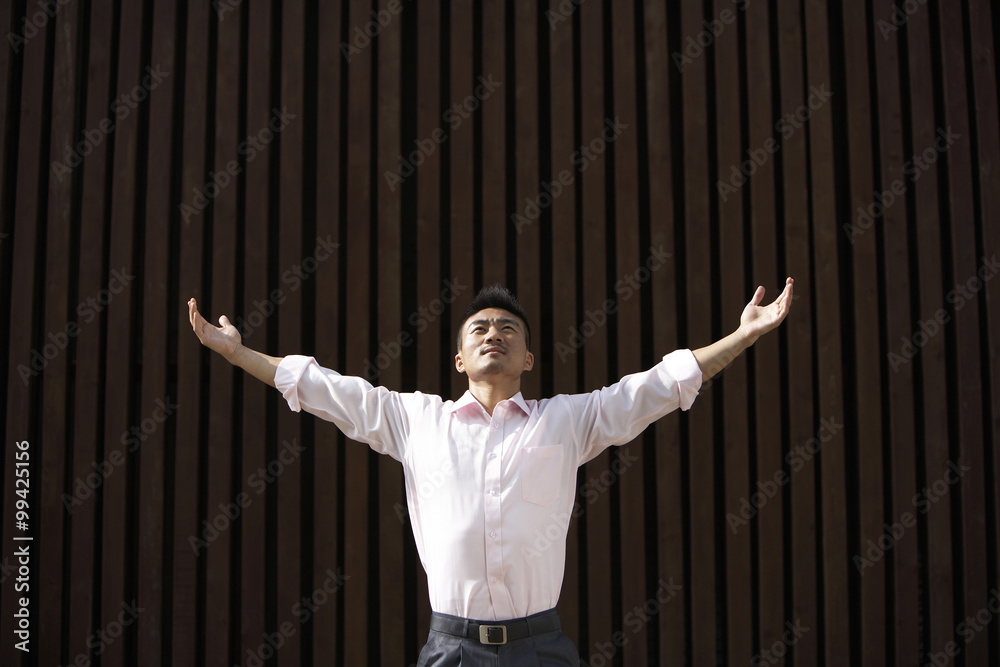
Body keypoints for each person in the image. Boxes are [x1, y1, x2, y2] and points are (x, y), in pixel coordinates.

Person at [187, 277, 794, 665]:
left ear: (528, 356)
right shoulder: (414, 420)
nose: (493, 334)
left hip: (541, 647)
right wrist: (237, 352)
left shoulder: (565, 421)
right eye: (480, 328)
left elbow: (658, 387)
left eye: (508, 328)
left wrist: (741, 337)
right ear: (459, 358)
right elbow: (323, 389)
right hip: (450, 649)